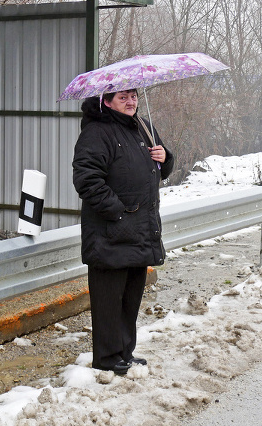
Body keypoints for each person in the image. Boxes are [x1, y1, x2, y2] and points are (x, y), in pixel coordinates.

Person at [72, 89, 174, 375]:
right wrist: (118, 213)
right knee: (108, 301)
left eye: (134, 96)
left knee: (131, 299)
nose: (131, 102)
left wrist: (164, 158)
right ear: (106, 101)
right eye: (123, 98)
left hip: (141, 229)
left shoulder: (143, 127)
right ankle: (106, 359)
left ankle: (125, 353)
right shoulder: (97, 133)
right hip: (110, 232)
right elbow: (87, 179)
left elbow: (163, 169)